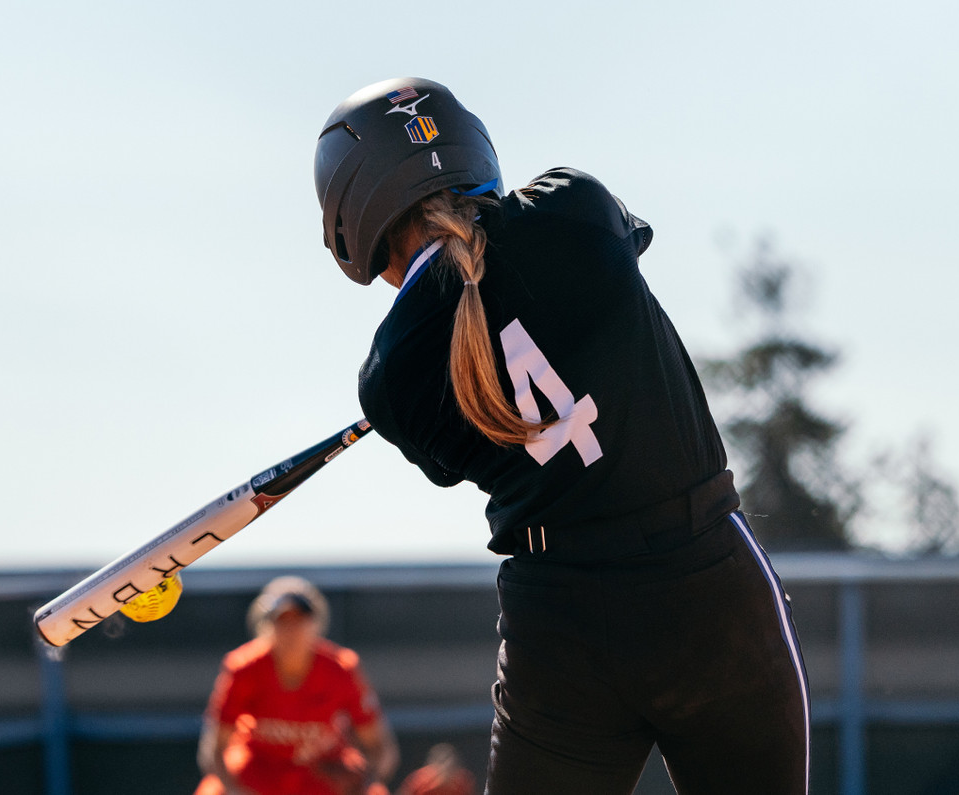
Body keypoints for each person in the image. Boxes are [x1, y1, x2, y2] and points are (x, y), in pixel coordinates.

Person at [313, 78, 811, 794]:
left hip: (561, 626)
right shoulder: (573, 205)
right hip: (707, 589)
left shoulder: (389, 378)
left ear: (352, 219)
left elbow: (453, 454)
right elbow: (609, 249)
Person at [196, 577, 399, 795]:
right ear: (265, 626)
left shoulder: (341, 668)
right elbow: (215, 748)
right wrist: (233, 789)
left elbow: (379, 747)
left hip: (320, 774)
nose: (292, 631)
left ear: (316, 624)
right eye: (282, 621)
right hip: (256, 773)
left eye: (300, 620)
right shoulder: (243, 667)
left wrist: (367, 781)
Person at [395, 744, 475, 795]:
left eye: (451, 767)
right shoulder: (419, 781)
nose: (445, 769)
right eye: (442, 764)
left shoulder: (463, 782)